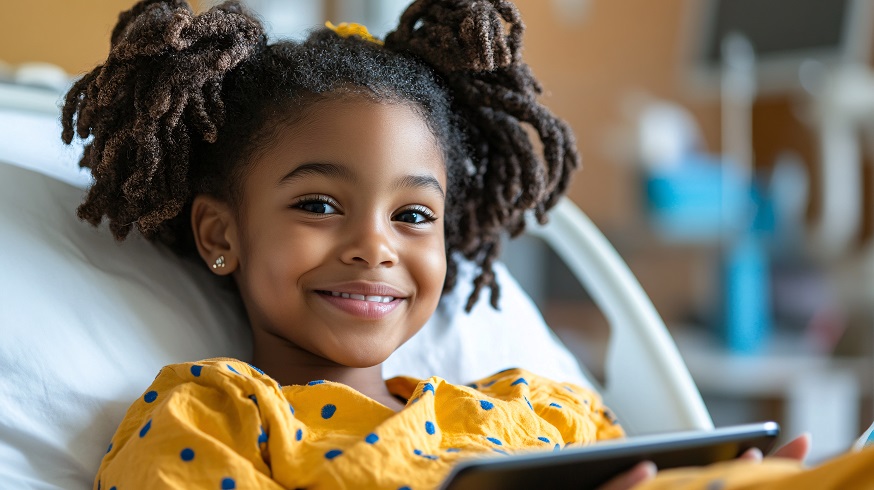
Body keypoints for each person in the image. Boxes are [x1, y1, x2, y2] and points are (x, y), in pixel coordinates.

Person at [61, 0, 870, 489]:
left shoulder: (536, 407)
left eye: (413, 216)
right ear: (219, 233)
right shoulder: (216, 417)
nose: (373, 247)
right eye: (319, 203)